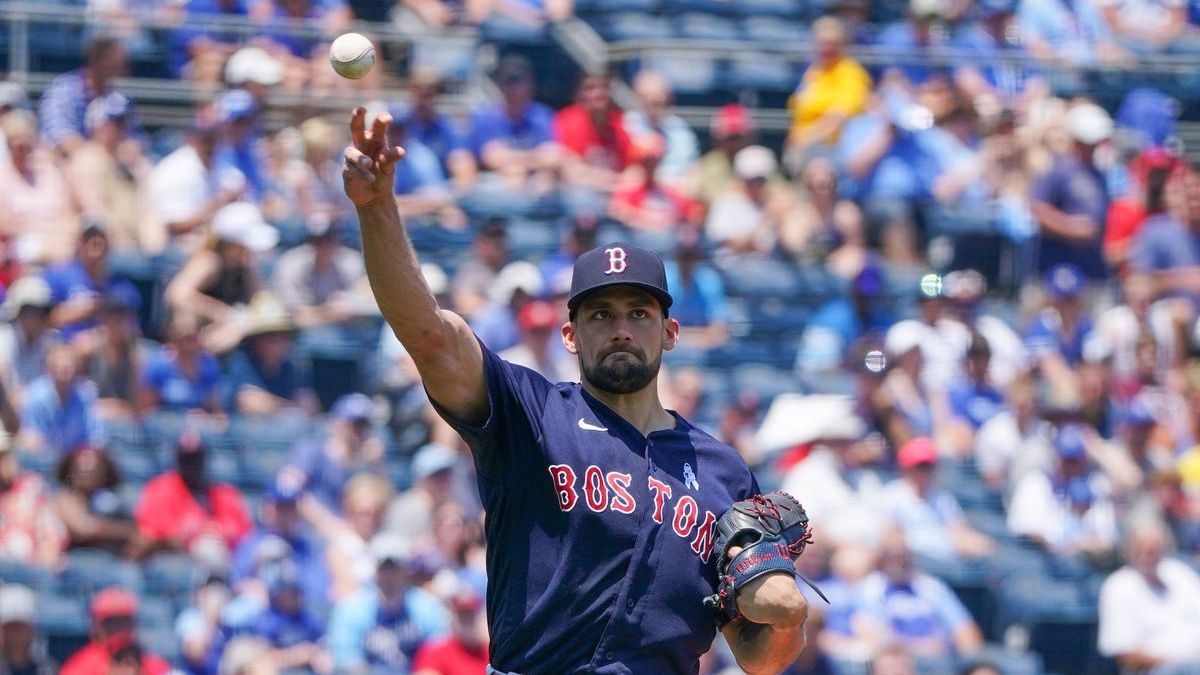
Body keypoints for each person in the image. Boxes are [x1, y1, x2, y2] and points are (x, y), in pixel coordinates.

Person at [342, 106, 811, 673]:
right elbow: (429, 334)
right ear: (569, 334)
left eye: (639, 313)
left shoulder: (723, 472)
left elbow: (758, 660)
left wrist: (790, 619)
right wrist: (377, 209)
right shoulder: (532, 415)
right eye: (599, 314)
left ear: (670, 332)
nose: (619, 328)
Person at [327, 534, 449, 672]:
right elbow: (349, 662)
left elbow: (439, 657)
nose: (389, 575)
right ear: (374, 569)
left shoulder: (428, 607)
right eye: (384, 567)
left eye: (395, 567)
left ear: (406, 570)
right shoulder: (350, 610)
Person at [134, 431, 252, 566]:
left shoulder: (224, 493)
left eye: (196, 460)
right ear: (177, 460)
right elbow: (152, 533)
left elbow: (244, 534)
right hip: (177, 560)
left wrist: (218, 532)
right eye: (186, 461)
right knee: (207, 549)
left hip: (226, 558)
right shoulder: (159, 489)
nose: (191, 467)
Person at [1098, 518, 1200, 669]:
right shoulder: (1118, 587)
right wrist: (1182, 660)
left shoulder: (1180, 573)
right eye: (1141, 548)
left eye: (1154, 549)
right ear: (1129, 550)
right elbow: (1126, 656)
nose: (1148, 555)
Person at [1030, 102, 1113, 280]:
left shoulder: (1100, 173)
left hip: (1090, 265)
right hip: (1058, 266)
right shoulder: (1058, 170)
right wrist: (1069, 227)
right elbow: (1037, 209)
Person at [786, 17, 871, 162]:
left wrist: (805, 140)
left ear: (842, 45)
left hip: (832, 150)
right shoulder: (814, 72)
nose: (826, 49)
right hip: (803, 148)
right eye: (822, 43)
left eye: (832, 44)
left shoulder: (850, 72)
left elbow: (840, 116)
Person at [37, 35, 133, 157]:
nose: (124, 63)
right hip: (64, 161)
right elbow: (61, 138)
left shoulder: (119, 97)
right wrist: (94, 158)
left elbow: (134, 138)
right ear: (99, 59)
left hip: (107, 161)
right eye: (117, 58)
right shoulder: (64, 90)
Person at [43, 223, 141, 341]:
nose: (95, 243)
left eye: (100, 239)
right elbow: (43, 320)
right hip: (64, 345)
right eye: (88, 239)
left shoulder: (121, 287)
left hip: (107, 350)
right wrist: (80, 310)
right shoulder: (58, 275)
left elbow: (133, 329)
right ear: (79, 244)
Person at [59, 588, 171, 675]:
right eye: (112, 622)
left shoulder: (150, 662)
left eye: (124, 621)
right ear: (98, 626)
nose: (119, 628)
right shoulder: (83, 664)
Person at [18, 343, 103, 456]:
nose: (64, 372)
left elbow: (94, 437)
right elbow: (33, 440)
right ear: (48, 369)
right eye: (58, 367)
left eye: (68, 367)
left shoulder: (85, 396)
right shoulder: (36, 396)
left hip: (75, 462)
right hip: (44, 461)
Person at [0, 431, 66, 567]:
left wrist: (43, 566)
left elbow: (52, 533)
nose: (5, 462)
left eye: (6, 455)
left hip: (29, 570)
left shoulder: (31, 485)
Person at [412, 588, 490, 675]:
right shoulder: (436, 651)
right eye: (462, 618)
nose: (467, 624)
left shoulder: (490, 651)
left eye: (471, 617)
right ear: (452, 619)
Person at [0, 584, 56, 674]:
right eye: (10, 628)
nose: (15, 635)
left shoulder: (46, 669)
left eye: (20, 628)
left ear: (32, 629)